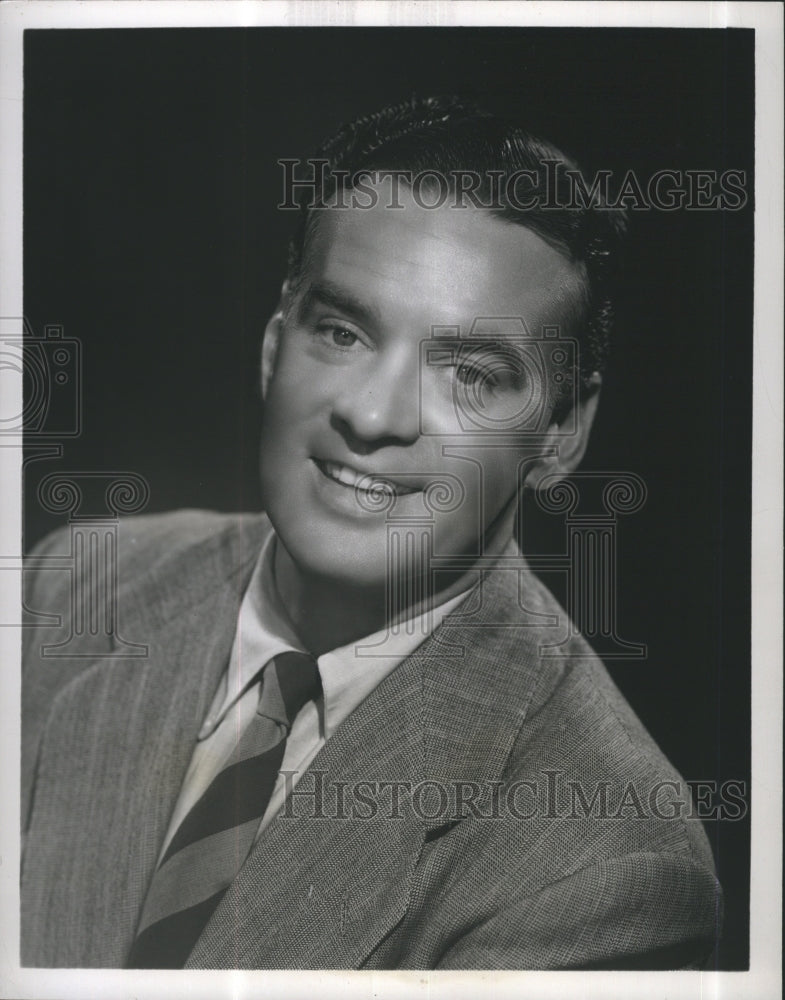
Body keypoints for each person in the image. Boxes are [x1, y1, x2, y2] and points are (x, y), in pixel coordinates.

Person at [21, 96, 721, 969]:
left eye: (469, 373)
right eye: (344, 333)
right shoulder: (73, 586)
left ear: (561, 432)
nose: (373, 413)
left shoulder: (608, 866)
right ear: (276, 347)